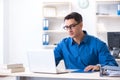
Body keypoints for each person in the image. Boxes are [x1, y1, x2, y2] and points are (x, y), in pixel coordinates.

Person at [54, 12, 118, 72]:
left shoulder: (98, 44)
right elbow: (51, 61)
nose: (69, 30)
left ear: (81, 25)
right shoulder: (63, 44)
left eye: (72, 26)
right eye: (67, 27)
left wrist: (99, 67)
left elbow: (113, 65)